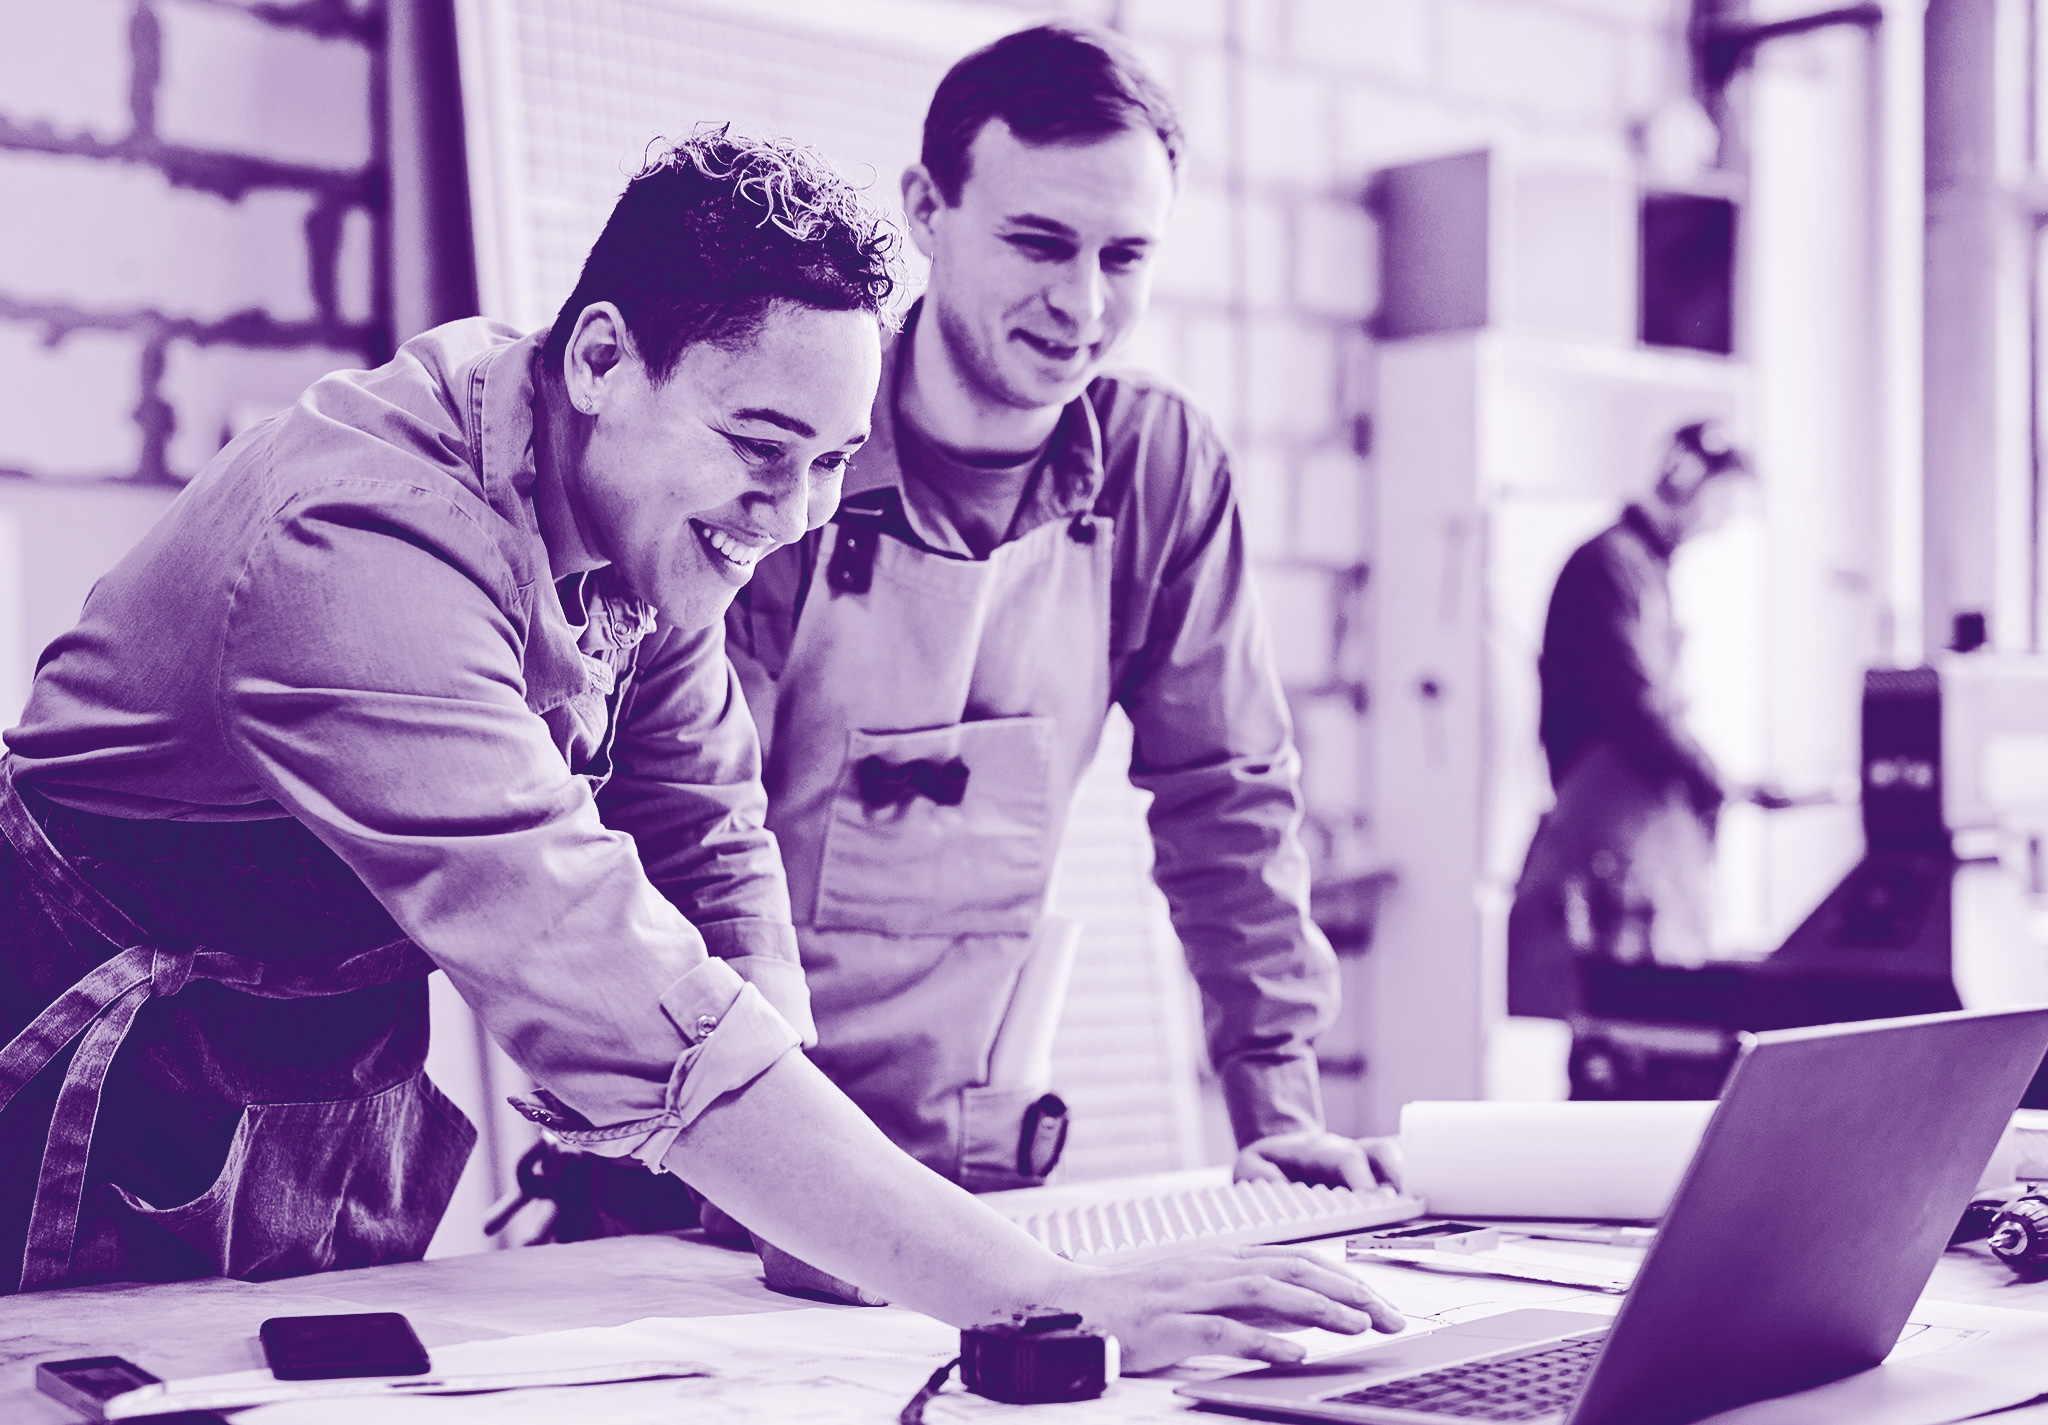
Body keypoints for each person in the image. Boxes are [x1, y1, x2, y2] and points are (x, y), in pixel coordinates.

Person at [0, 129, 1402, 1365]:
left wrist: (789, 1184)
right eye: (760, 446)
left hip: (317, 1090)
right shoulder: (359, 551)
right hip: (97, 1089)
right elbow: (598, 970)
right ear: (602, 358)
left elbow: (706, 828)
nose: (790, 517)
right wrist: (1048, 1299)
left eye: (832, 461)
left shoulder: (624, 515)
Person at [727, 24, 1382, 1203]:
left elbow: (1226, 801)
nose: (1081, 305)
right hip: (727, 1156)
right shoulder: (792, 447)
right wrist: (764, 1161)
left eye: (1123, 257)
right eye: (1037, 243)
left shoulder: (1155, 469)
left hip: (967, 1170)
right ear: (925, 209)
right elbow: (694, 823)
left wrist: (1277, 1111)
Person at [1506, 420, 1753, 1021]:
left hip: (1632, 832)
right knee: (1615, 1023)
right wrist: (1713, 776)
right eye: (1721, 505)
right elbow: (1636, 706)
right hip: (1611, 836)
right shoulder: (1611, 566)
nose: (1720, 523)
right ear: (1684, 482)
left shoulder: (1642, 569)